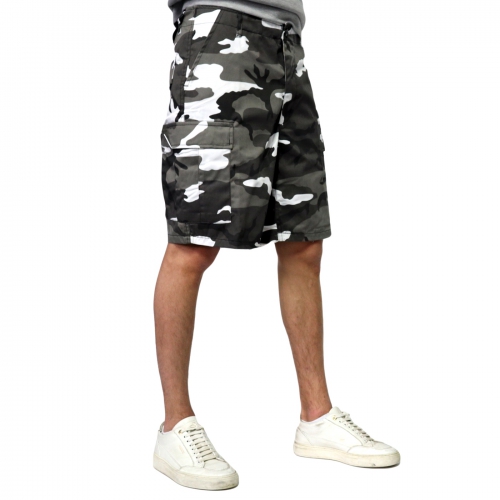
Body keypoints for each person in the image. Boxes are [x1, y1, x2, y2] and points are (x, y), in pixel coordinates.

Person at [153, 0, 400, 490]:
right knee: (194, 241)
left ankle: (316, 417)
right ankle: (175, 425)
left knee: (303, 239)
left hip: (287, 42)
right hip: (219, 32)